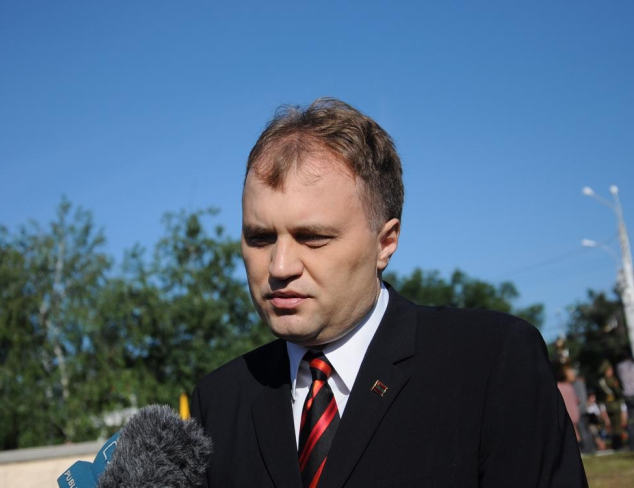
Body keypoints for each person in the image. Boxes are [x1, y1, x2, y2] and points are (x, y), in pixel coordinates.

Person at [191, 98, 587, 487]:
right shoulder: (218, 402)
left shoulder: (490, 363)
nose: (280, 267)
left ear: (386, 243)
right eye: (260, 238)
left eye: (312, 238)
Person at [598, 360, 625, 450]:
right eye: (609, 369)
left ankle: (618, 445)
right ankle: (616, 445)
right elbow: (601, 397)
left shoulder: (611, 380)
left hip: (613, 406)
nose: (611, 371)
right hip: (610, 407)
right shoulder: (604, 382)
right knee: (612, 427)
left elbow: (619, 394)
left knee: (617, 426)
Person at [616, 352, 634, 451]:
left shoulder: (619, 367)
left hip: (627, 395)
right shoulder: (631, 366)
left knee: (630, 420)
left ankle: (632, 444)